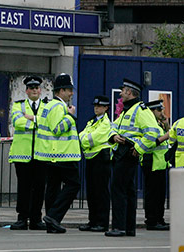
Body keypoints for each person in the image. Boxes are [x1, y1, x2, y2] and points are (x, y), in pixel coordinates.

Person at [105, 78, 160, 237]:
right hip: (122, 153)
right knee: (128, 191)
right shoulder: (127, 110)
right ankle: (128, 228)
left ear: (129, 92)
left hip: (127, 154)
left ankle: (118, 227)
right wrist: (114, 135)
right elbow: (113, 127)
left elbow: (153, 132)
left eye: (123, 90)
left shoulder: (139, 109)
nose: (121, 93)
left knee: (118, 190)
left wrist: (138, 148)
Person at [37, 73, 81, 234]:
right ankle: (54, 216)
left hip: (51, 154)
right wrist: (70, 116)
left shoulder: (48, 106)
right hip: (63, 154)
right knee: (74, 184)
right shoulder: (58, 107)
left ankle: (51, 222)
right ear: (60, 91)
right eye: (69, 90)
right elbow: (57, 129)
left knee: (53, 188)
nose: (71, 93)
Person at [8, 75, 47, 231]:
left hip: (41, 154)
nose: (34, 90)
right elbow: (18, 122)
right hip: (22, 154)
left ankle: (36, 219)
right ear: (26, 91)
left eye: (36, 88)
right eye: (31, 88)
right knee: (24, 188)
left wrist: (32, 119)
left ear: (41, 90)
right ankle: (22, 218)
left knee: (39, 188)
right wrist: (38, 121)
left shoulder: (47, 106)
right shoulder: (19, 106)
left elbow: (49, 123)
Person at [77, 95, 113, 233]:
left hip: (101, 160)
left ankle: (102, 222)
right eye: (95, 106)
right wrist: (85, 139)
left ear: (106, 108)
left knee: (101, 192)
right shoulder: (92, 122)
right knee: (91, 192)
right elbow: (82, 135)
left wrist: (85, 139)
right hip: (91, 159)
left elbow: (93, 138)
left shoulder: (105, 123)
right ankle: (92, 221)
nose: (96, 108)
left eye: (99, 106)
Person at [141, 99, 170, 231]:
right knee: (152, 194)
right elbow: (151, 142)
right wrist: (165, 136)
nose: (161, 112)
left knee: (159, 194)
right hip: (151, 162)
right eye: (159, 110)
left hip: (160, 164)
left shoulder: (159, 124)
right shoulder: (149, 125)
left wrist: (166, 124)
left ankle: (160, 219)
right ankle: (152, 221)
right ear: (151, 111)